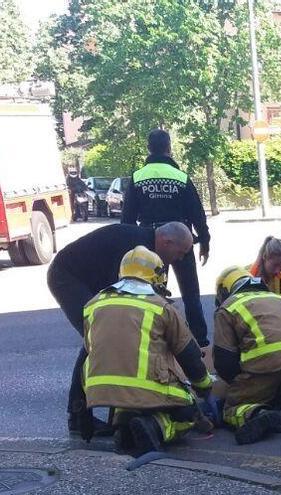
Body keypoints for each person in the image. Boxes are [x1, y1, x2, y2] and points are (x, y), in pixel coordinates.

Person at [47, 222, 194, 437]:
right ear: (166, 241)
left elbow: (156, 298)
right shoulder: (133, 249)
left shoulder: (151, 251)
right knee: (99, 337)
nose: (180, 258)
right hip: (67, 276)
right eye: (180, 252)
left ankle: (118, 405)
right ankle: (78, 414)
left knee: (114, 331)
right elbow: (123, 302)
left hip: (91, 279)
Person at [82, 246, 212, 455]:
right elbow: (189, 355)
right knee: (187, 414)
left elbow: (91, 350)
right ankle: (157, 426)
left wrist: (81, 412)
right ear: (158, 275)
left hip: (100, 390)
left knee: (128, 404)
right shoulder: (161, 307)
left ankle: (124, 426)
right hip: (149, 389)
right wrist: (204, 387)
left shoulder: (93, 305)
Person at [122, 129, 212, 345]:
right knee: (191, 294)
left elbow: (126, 219)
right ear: (169, 148)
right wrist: (205, 242)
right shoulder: (181, 178)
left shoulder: (137, 178)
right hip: (181, 241)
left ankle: (153, 338)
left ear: (148, 148)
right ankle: (200, 342)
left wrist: (131, 247)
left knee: (150, 293)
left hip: (149, 242)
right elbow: (197, 214)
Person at [213, 267, 281, 445]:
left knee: (232, 407)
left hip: (266, 368)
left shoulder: (228, 307)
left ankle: (258, 414)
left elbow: (225, 362)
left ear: (224, 290)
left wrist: (239, 383)